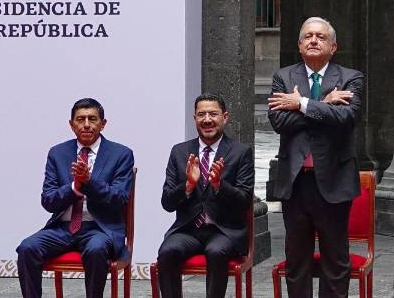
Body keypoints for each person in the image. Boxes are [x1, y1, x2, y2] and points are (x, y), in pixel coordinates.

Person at [267, 17, 364, 298]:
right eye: (308, 36)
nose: (313, 40)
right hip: (295, 182)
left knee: (335, 260)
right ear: (299, 45)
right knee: (297, 261)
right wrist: (323, 105)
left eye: (320, 37)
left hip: (334, 180)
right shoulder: (283, 77)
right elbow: (278, 122)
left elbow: (346, 118)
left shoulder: (350, 78)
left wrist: (300, 103)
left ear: (333, 47)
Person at [16, 98, 135, 298]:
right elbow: (48, 201)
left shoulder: (121, 154)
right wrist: (74, 187)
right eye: (80, 119)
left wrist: (89, 182)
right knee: (27, 248)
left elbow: (119, 198)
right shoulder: (57, 153)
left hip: (99, 229)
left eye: (92, 119)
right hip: (62, 228)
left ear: (103, 123)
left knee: (96, 250)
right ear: (72, 125)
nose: (86, 124)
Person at [156, 93, 254, 298]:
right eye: (201, 115)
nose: (207, 120)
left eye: (213, 114)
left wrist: (219, 185)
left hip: (224, 231)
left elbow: (244, 202)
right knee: (167, 252)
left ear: (225, 117)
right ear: (194, 118)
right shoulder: (180, 152)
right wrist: (188, 185)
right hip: (188, 230)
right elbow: (167, 203)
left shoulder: (240, 152)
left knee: (216, 252)